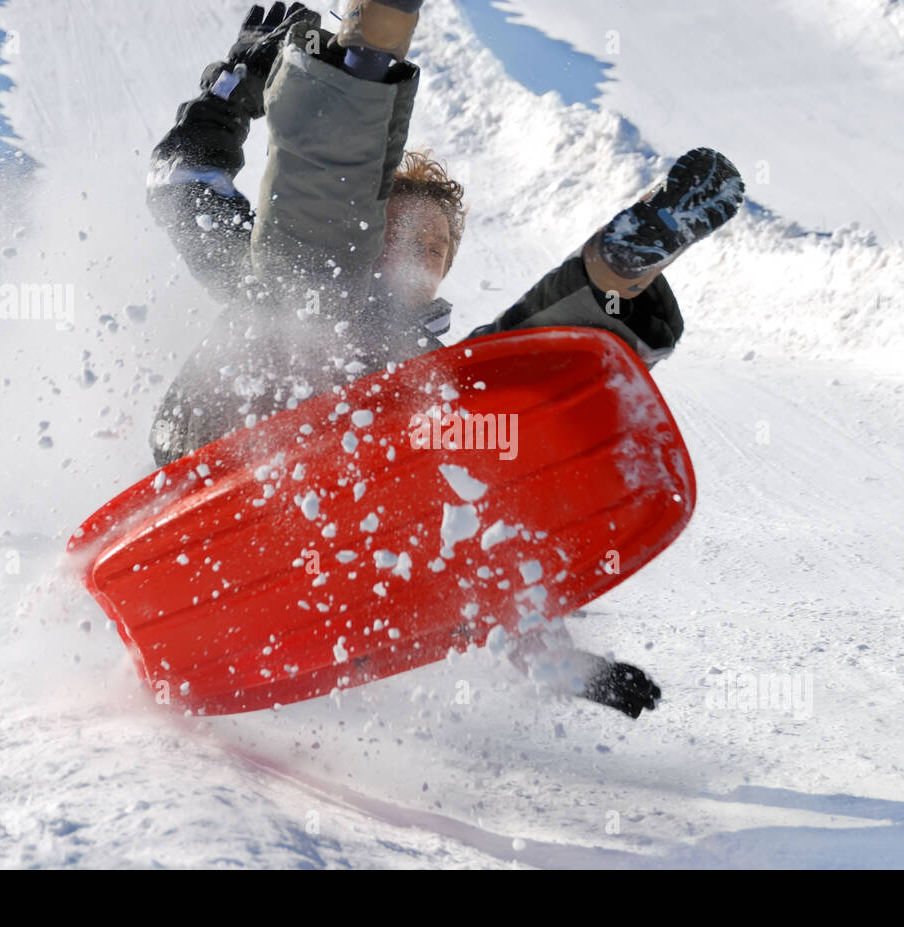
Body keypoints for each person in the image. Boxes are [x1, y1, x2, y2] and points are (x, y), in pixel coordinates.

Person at [145, 1, 746, 719]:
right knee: (311, 274)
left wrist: (561, 663)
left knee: (489, 398)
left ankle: (616, 280)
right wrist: (233, 86)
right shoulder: (275, 277)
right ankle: (366, 48)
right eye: (403, 236)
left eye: (435, 250)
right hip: (217, 445)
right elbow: (183, 188)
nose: (419, 257)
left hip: (330, 508)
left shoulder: (423, 380)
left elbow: (473, 523)